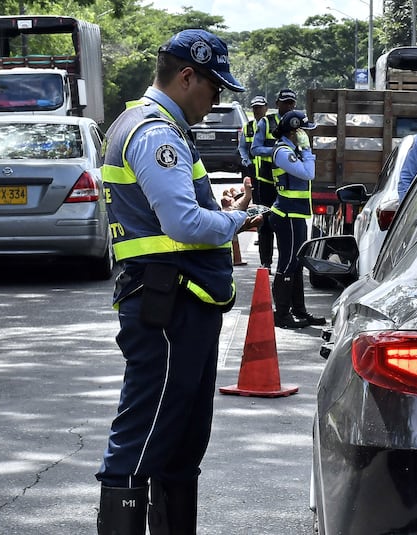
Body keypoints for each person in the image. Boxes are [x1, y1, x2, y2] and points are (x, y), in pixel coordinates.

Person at [96, 29, 260, 535]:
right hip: (166, 303)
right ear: (187, 76)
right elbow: (183, 225)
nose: (214, 103)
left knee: (181, 439)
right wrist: (235, 222)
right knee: (146, 435)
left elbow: (176, 215)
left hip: (179, 299)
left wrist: (221, 212)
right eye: (214, 89)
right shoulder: (155, 132)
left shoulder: (159, 127)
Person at [269, 110, 326, 329]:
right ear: (294, 131)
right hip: (287, 215)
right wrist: (308, 150)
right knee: (287, 263)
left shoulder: (291, 149)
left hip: (296, 215)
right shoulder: (283, 152)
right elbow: (307, 173)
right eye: (303, 131)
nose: (306, 134)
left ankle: (299, 311)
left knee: (297, 263)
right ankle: (282, 314)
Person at [250, 88, 298, 272]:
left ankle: (285, 263)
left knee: (286, 224)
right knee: (266, 223)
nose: (288, 106)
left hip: (289, 182)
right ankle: (266, 262)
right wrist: (276, 152)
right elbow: (255, 149)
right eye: (284, 102)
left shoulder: (297, 122)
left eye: (291, 103)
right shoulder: (266, 122)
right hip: (267, 181)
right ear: (277, 104)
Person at [238, 95, 268, 185]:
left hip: (267, 170)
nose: (257, 110)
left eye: (259, 107)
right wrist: (246, 161)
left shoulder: (272, 125)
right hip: (251, 170)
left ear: (266, 108)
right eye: (255, 108)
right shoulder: (248, 127)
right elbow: (242, 147)